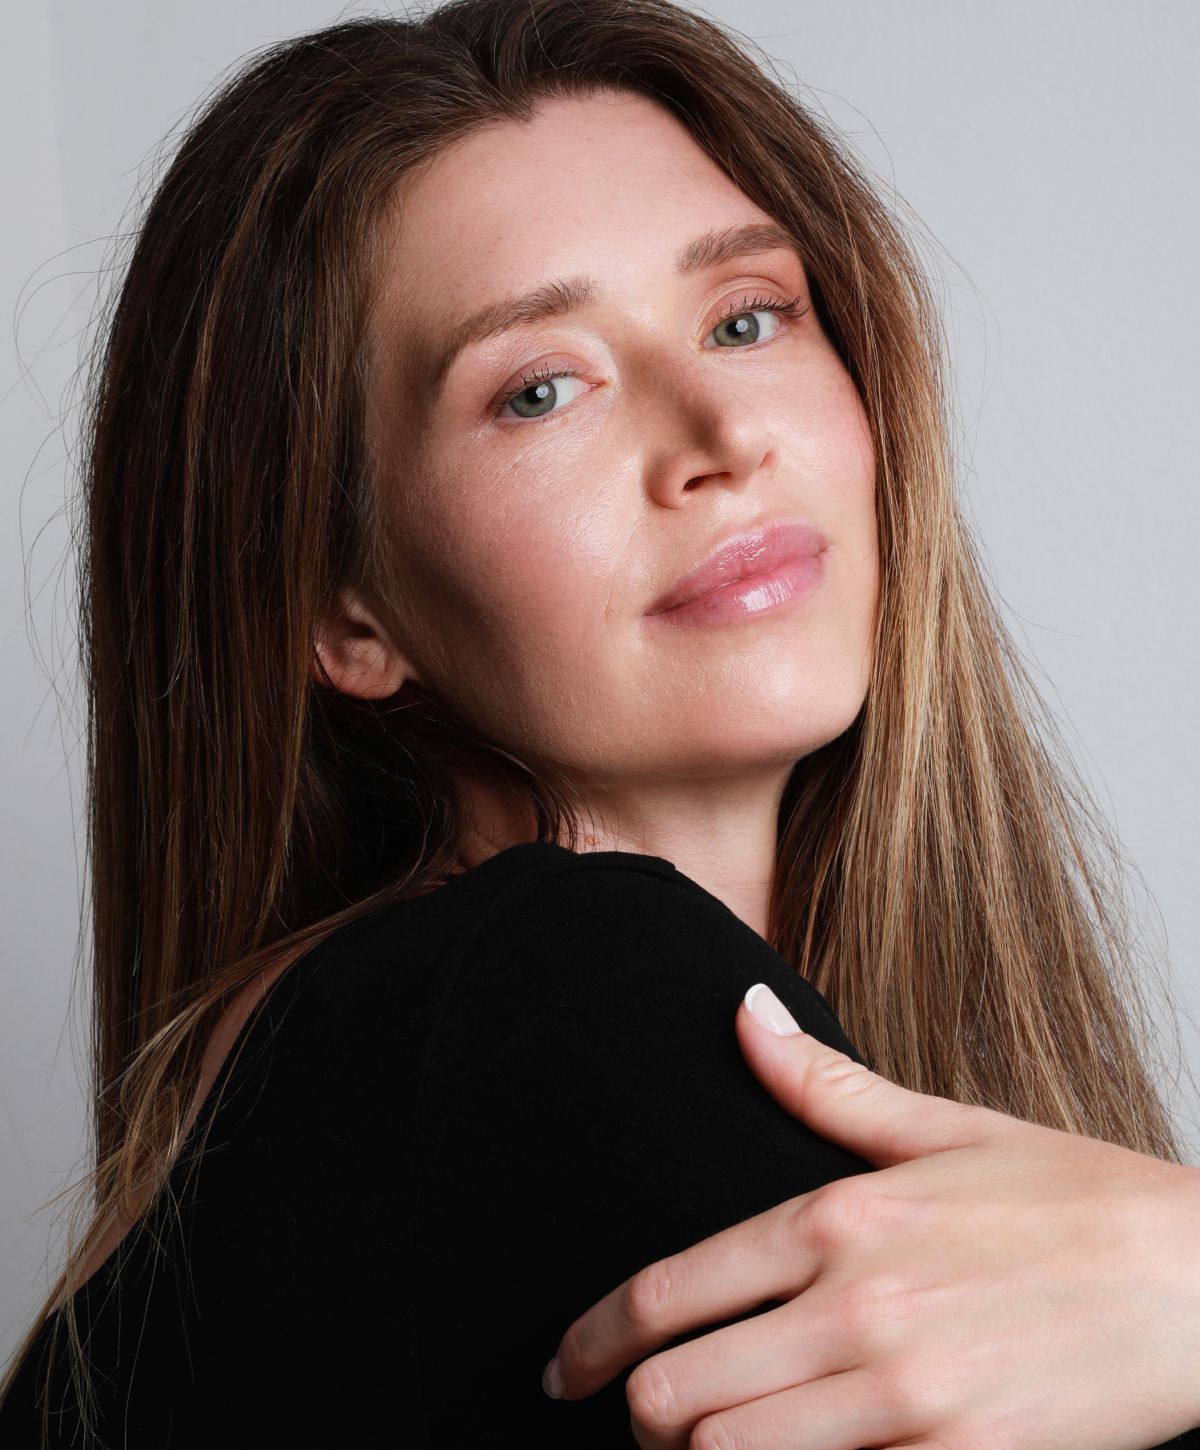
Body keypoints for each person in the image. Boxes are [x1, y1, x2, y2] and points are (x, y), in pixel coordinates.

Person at [3, 1, 1199, 1445]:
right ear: (347, 614)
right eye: (541, 388)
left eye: (747, 317)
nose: (719, 434)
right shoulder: (555, 996)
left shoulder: (397, 1053)